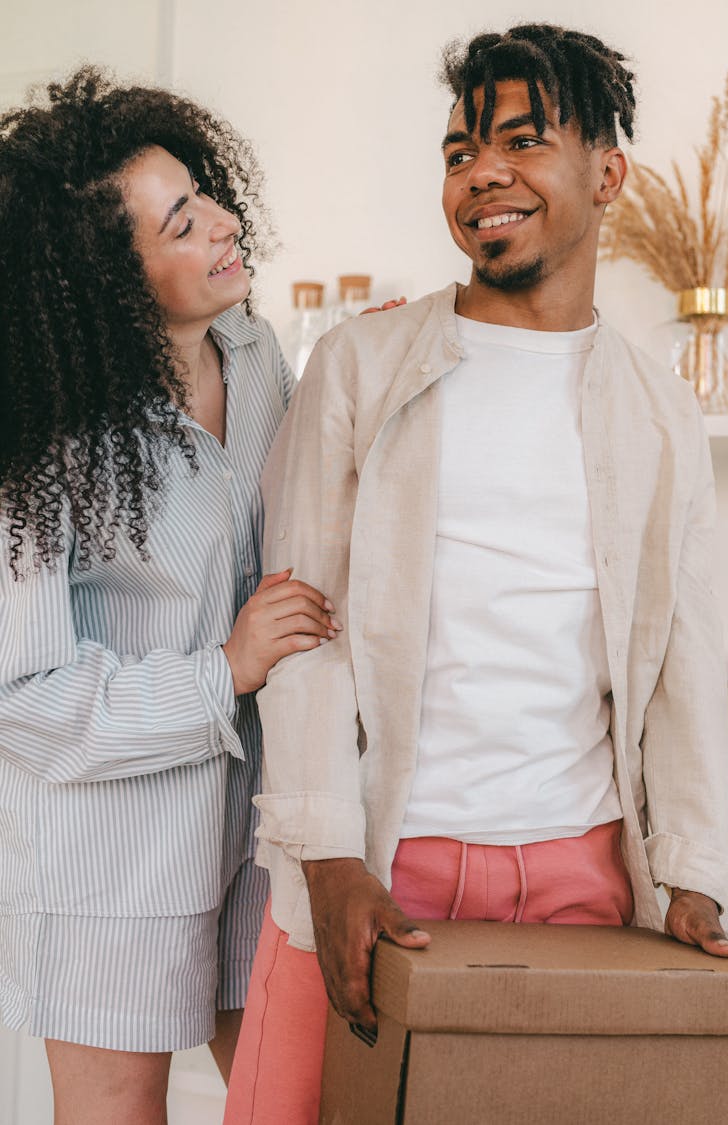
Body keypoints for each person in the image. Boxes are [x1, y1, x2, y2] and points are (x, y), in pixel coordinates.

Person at [223, 23, 728, 1125]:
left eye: (521, 140)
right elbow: (303, 621)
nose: (482, 173)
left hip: (584, 880)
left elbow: (680, 660)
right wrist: (325, 857)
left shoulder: (659, 411)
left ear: (608, 174)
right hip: (376, 862)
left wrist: (694, 871)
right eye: (460, 152)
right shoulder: (364, 365)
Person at [0, 67, 345, 1124]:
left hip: (254, 835)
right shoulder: (42, 436)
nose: (226, 227)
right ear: (109, 277)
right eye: (185, 224)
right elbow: (23, 695)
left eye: (206, 196)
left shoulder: (256, 349)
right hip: (113, 861)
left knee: (298, 1102)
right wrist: (225, 670)